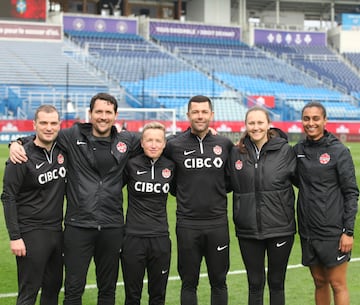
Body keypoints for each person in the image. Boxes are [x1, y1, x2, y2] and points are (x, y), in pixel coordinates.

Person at [9, 93, 141, 305]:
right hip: (78, 227)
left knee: (107, 290)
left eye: (108, 112)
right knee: (73, 290)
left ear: (116, 115)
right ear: (90, 113)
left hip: (112, 226)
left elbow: (161, 141)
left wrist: (211, 135)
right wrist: (17, 142)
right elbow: (44, 134)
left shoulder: (127, 140)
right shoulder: (72, 135)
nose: (103, 116)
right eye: (99, 111)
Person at [164, 95, 234, 305]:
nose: (200, 116)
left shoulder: (224, 144)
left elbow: (229, 182)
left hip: (217, 224)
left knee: (219, 281)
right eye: (195, 112)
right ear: (188, 115)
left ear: (211, 114)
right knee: (188, 282)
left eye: (204, 112)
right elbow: (171, 183)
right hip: (187, 225)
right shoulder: (174, 145)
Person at [226, 106, 296, 305]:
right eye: (251, 123)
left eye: (259, 123)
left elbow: (304, 182)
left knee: (276, 283)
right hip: (248, 230)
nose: (255, 127)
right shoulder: (235, 153)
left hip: (280, 228)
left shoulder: (285, 151)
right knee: (255, 284)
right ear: (246, 125)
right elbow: (224, 184)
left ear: (268, 124)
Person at [293, 102, 359, 305]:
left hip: (333, 230)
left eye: (315, 118)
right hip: (308, 230)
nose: (311, 123)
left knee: (337, 284)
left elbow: (351, 193)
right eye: (306, 119)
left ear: (325, 120)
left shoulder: (338, 151)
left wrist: (348, 231)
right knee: (319, 281)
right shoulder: (298, 150)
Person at [1, 105, 67, 305]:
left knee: (53, 288)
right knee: (29, 292)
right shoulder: (21, 156)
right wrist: (15, 237)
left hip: (57, 231)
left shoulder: (64, 149)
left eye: (53, 123)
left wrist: (16, 141)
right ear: (34, 125)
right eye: (44, 123)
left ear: (59, 125)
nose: (49, 127)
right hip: (31, 233)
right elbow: (8, 197)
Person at [121, 121, 175, 305]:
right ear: (141, 143)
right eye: (149, 140)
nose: (153, 144)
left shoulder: (171, 166)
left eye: (158, 140)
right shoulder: (130, 165)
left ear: (164, 143)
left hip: (160, 239)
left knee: (158, 296)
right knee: (132, 296)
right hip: (133, 239)